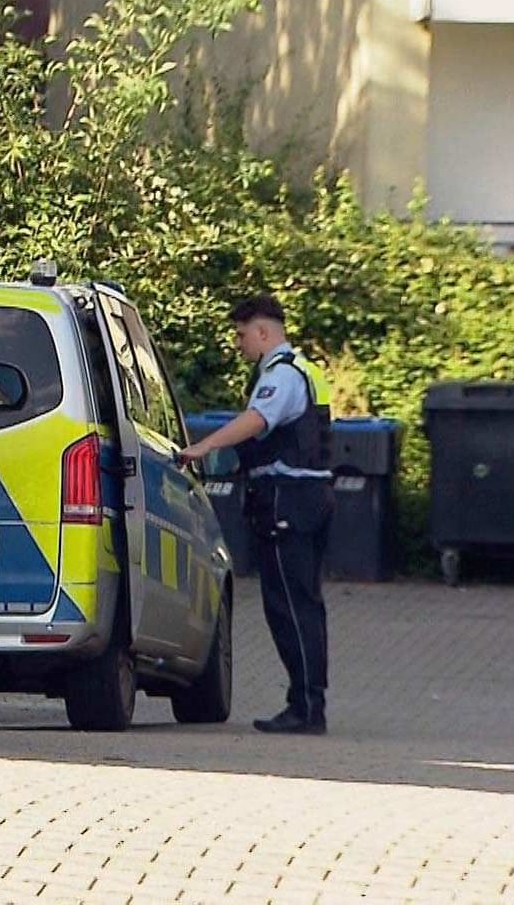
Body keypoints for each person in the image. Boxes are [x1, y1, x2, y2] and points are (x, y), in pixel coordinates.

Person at [179, 295, 334, 735]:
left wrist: (206, 446)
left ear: (264, 332)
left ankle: (306, 708)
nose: (240, 343)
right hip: (309, 496)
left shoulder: (281, 376)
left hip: (289, 499)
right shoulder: (305, 370)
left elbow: (256, 420)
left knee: (289, 605)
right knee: (303, 602)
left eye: (242, 334)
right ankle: (308, 702)